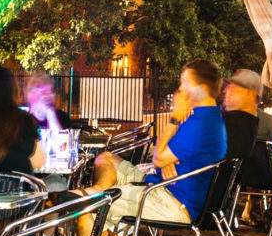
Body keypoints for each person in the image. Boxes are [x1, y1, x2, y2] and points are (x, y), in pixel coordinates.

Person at [92, 59, 225, 224]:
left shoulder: (200, 123)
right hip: (162, 184)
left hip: (171, 200)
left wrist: (174, 118)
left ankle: (100, 221)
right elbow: (166, 155)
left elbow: (158, 158)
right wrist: (165, 161)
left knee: (97, 202)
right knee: (105, 158)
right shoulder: (210, 116)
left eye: (185, 82)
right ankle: (99, 202)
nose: (180, 89)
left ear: (201, 88)